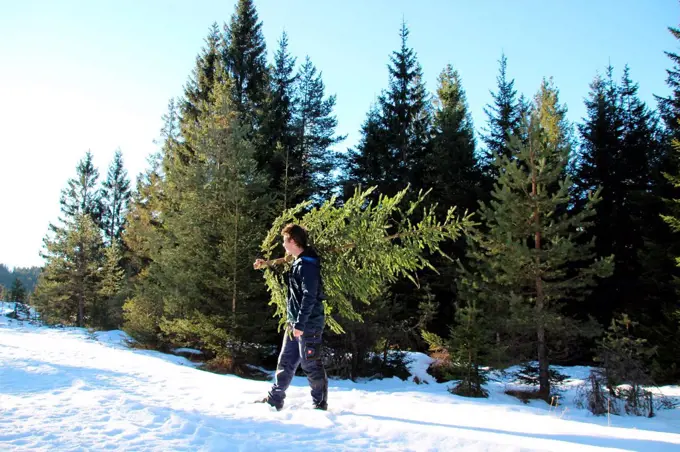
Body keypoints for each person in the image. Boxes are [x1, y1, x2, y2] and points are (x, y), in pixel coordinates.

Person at [254, 223, 328, 411]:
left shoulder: (308, 265)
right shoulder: (298, 261)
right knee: (285, 362)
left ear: (293, 241)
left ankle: (319, 404)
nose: (283, 244)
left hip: (307, 325)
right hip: (294, 323)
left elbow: (309, 296)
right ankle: (274, 399)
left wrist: (300, 324)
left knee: (310, 364)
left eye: (284, 240)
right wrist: (266, 265)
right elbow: (287, 271)